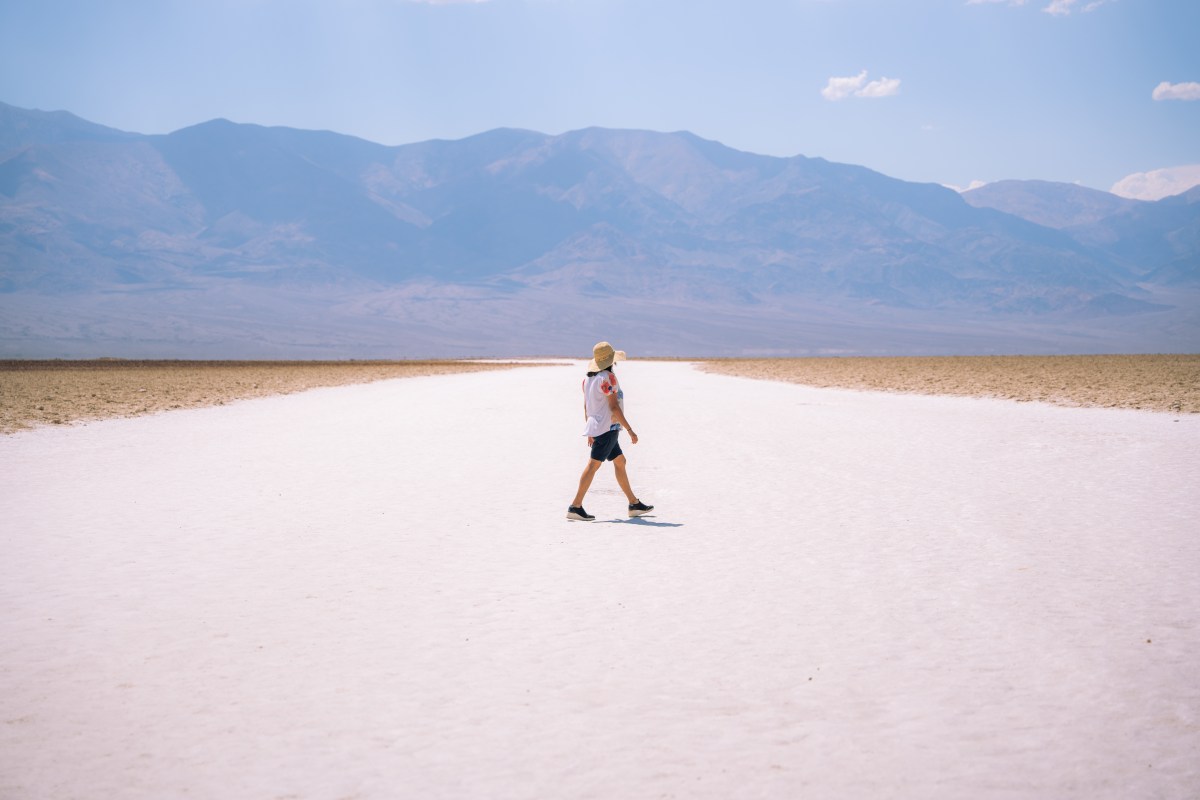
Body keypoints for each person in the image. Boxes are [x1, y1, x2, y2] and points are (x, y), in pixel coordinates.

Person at [567, 341, 654, 521]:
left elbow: (587, 407)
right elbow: (614, 407)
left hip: (601, 428)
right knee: (593, 466)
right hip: (608, 429)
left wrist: (590, 429)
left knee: (620, 461)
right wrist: (630, 430)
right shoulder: (608, 378)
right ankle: (575, 506)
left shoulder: (588, 380)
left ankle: (633, 503)